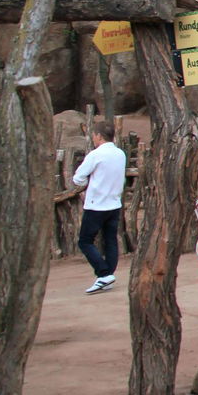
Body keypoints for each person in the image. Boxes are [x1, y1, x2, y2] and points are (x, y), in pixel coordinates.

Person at [73, 119, 127, 295]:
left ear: (98, 136)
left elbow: (78, 177)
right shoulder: (120, 154)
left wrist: (86, 184)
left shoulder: (95, 155)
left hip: (96, 205)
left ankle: (103, 273)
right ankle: (108, 275)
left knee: (85, 240)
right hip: (114, 203)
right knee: (110, 239)